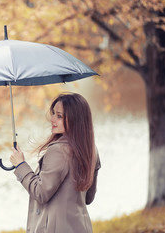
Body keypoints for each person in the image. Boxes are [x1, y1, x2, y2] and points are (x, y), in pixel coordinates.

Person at [10, 92, 101, 233]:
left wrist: (21, 166)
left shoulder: (58, 151)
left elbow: (40, 193)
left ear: (75, 119)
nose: (52, 119)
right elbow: (88, 197)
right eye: (53, 114)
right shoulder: (91, 150)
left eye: (59, 116)